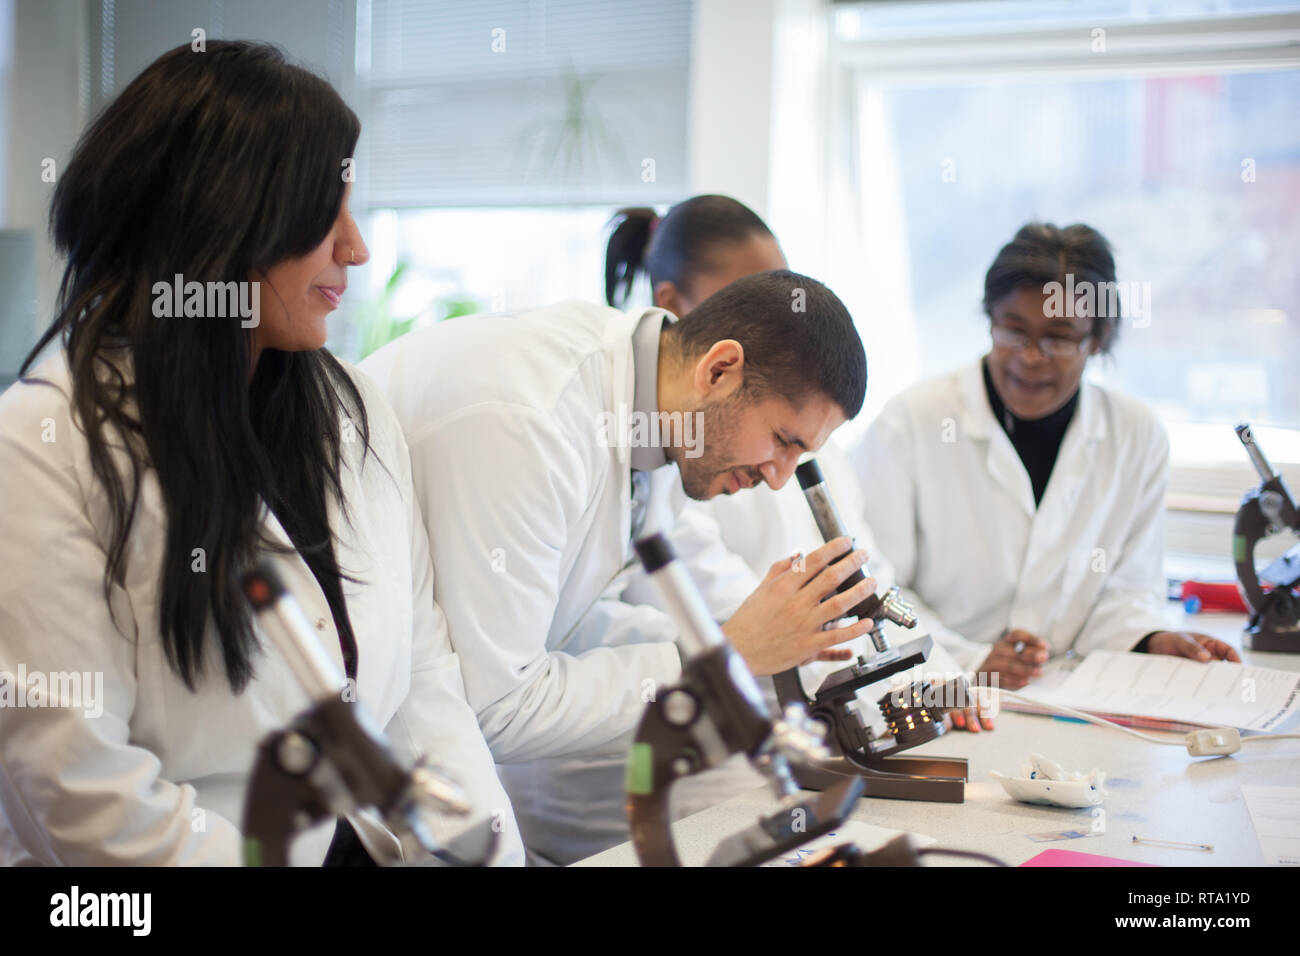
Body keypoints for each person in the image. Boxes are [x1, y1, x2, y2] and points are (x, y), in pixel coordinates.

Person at [0, 41, 522, 866]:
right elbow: (83, 799)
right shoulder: (43, 448)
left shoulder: (353, 413)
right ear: (226, 217)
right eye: (329, 213)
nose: (356, 248)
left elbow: (423, 685)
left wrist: (481, 854)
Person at [361, 269, 874, 864]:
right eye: (783, 440)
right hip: (374, 732)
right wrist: (723, 657)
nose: (779, 476)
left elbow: (575, 618)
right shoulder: (533, 419)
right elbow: (498, 705)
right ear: (719, 370)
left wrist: (748, 649)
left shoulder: (651, 404)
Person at [607, 197, 968, 751]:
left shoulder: (807, 432)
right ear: (677, 306)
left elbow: (864, 570)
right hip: (692, 736)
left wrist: (933, 676)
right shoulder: (671, 454)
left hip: (769, 711)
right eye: (749, 298)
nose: (782, 319)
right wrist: (859, 680)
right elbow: (734, 616)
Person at [852, 222, 1240, 705]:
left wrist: (1150, 639)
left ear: (1098, 337)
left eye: (1058, 338)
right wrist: (969, 659)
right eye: (1013, 331)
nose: (1030, 358)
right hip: (940, 688)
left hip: (1071, 696)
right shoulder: (913, 421)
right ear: (989, 317)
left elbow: (1127, 590)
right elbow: (875, 586)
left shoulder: (1135, 435)